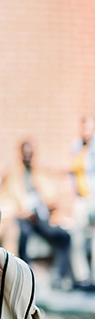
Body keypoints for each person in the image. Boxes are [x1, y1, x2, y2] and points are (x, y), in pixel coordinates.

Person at [3, 140, 76, 290]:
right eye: (26, 154)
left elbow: (51, 198)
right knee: (22, 234)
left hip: (41, 218)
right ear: (21, 154)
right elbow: (11, 197)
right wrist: (23, 210)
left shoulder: (38, 172)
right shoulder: (14, 173)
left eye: (31, 154)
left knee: (64, 236)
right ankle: (25, 277)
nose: (29, 157)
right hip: (24, 218)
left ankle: (59, 276)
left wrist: (53, 212)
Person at [69, 115, 95, 288]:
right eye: (84, 128)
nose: (86, 131)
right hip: (80, 198)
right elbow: (72, 172)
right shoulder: (76, 146)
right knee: (77, 238)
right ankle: (82, 277)